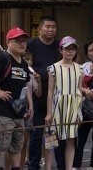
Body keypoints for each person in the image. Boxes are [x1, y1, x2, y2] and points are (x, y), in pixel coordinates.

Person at [0, 27, 34, 170]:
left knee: (16, 147)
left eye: (24, 41)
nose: (22, 44)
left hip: (18, 112)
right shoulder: (3, 58)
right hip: (1, 112)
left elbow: (26, 84)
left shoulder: (23, 62)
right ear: (8, 42)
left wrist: (30, 105)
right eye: (17, 41)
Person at [27, 16, 61, 170]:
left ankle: (50, 165)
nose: (51, 29)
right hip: (36, 92)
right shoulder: (31, 44)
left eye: (53, 27)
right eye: (47, 26)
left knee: (51, 131)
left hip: (54, 93)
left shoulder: (58, 45)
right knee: (36, 132)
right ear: (39, 29)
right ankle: (33, 165)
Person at [45, 36, 83, 170]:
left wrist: (79, 112)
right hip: (57, 105)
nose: (70, 52)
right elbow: (50, 91)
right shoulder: (53, 68)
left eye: (73, 49)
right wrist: (49, 113)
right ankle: (47, 168)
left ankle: (69, 167)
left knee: (71, 140)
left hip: (73, 106)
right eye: (67, 49)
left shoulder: (80, 68)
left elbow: (79, 91)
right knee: (51, 140)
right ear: (61, 50)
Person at [74, 40, 93, 170]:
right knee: (80, 137)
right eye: (91, 50)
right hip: (85, 107)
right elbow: (77, 85)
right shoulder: (84, 66)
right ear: (87, 54)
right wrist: (85, 91)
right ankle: (76, 164)